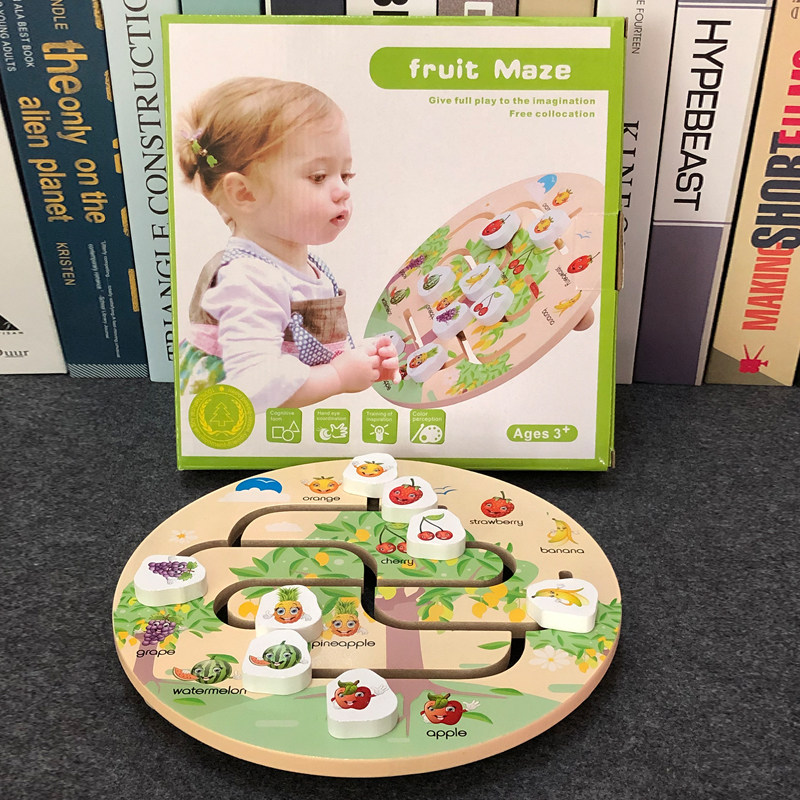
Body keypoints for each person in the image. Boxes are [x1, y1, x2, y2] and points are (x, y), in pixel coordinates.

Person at [176, 77, 398, 412]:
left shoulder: (300, 265)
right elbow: (254, 387)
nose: (342, 191)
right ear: (244, 193)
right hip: (241, 430)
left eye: (345, 175)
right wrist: (338, 376)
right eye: (318, 177)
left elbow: (303, 351)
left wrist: (361, 357)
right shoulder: (248, 282)